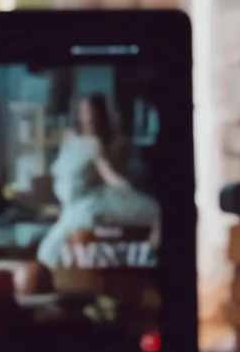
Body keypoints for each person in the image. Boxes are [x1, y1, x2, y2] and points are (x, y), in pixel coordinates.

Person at [36, 93, 160, 269]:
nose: (89, 117)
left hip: (88, 206)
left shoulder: (95, 144)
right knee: (47, 253)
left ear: (100, 115)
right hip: (69, 209)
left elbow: (109, 176)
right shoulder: (69, 138)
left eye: (92, 112)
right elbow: (56, 167)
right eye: (84, 111)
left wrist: (128, 188)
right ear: (78, 114)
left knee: (154, 211)